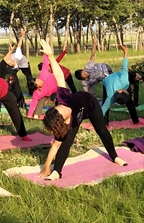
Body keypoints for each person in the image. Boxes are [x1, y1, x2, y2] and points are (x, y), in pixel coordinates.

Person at [37, 39, 127, 179]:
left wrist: (50, 56)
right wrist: (47, 167)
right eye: (63, 112)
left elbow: (59, 75)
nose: (64, 108)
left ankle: (114, 156)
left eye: (60, 108)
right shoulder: (65, 126)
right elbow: (55, 145)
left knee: (102, 131)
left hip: (91, 104)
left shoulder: (62, 98)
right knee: (66, 143)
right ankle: (57, 172)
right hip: (78, 118)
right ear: (63, 120)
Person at [100, 44, 140, 125]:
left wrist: (125, 52)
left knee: (130, 103)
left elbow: (124, 64)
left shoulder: (124, 79)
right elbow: (102, 110)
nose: (128, 92)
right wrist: (98, 125)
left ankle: (136, 120)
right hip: (106, 82)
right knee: (105, 104)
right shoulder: (110, 97)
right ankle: (105, 123)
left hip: (117, 79)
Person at [27, 50, 58, 118]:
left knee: (60, 99)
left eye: (37, 79)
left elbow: (45, 63)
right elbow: (33, 104)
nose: (39, 80)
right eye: (38, 82)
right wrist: (29, 115)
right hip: (47, 93)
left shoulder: (43, 75)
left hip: (58, 84)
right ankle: (36, 114)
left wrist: (45, 53)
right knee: (41, 100)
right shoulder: (37, 93)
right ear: (37, 87)